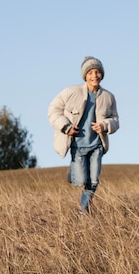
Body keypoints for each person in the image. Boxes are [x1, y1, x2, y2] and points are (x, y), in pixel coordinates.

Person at [48, 56, 119, 214]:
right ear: (85, 75)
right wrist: (66, 127)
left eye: (98, 72)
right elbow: (53, 110)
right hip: (77, 145)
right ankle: (72, 173)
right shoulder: (70, 92)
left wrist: (105, 125)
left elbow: (115, 120)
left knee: (93, 181)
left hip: (96, 145)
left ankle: (83, 210)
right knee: (80, 180)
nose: (95, 75)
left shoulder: (108, 97)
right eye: (91, 72)